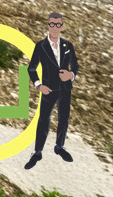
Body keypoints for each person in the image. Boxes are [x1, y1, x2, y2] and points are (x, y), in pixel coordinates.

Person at [24, 11, 80, 169]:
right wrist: (38, 85)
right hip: (49, 89)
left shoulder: (68, 46)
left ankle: (59, 147)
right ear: (48, 25)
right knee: (43, 119)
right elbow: (31, 68)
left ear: (62, 26)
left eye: (58, 24)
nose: (55, 27)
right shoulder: (40, 46)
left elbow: (75, 66)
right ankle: (37, 152)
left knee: (64, 118)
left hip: (65, 88)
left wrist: (71, 75)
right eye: (52, 24)